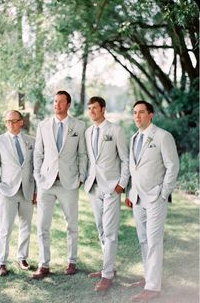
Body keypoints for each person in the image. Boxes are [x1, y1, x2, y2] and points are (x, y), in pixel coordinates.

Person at [126, 100, 179, 302]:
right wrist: (132, 193)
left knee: (154, 241)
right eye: (134, 113)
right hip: (138, 197)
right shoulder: (134, 138)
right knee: (143, 240)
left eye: (141, 112)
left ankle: (153, 287)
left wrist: (163, 192)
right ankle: (149, 277)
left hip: (156, 197)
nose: (137, 116)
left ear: (151, 115)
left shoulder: (163, 136)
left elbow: (172, 166)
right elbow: (134, 169)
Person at [32, 90, 87, 279]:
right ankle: (43, 264)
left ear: (68, 104)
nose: (57, 105)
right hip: (46, 183)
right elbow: (38, 153)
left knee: (71, 224)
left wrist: (81, 177)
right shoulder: (43, 125)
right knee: (42, 225)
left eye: (61, 102)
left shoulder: (79, 126)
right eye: (55, 101)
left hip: (69, 182)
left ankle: (71, 261)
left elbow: (82, 154)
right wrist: (37, 177)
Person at [84, 96, 129, 291]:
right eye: (89, 108)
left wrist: (121, 185)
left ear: (103, 109)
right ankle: (108, 267)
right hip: (94, 187)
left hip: (112, 187)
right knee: (101, 228)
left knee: (110, 231)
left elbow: (126, 160)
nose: (91, 111)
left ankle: (107, 275)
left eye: (95, 108)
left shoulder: (115, 130)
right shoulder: (87, 132)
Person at [0, 110, 36, 276]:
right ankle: (1, 262)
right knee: (5, 228)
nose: (10, 124)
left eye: (14, 121)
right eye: (8, 121)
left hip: (27, 190)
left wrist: (35, 191)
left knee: (26, 226)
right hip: (7, 191)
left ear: (21, 122)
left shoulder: (31, 141)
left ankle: (22, 257)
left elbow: (34, 168)